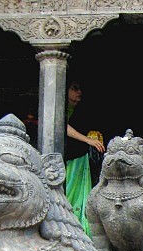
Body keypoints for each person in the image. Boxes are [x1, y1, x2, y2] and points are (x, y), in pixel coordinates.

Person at [64, 81, 104, 235]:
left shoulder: (83, 110)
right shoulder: (58, 106)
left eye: (80, 89)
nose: (78, 93)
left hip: (80, 158)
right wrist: (87, 140)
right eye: (74, 89)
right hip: (67, 157)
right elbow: (62, 125)